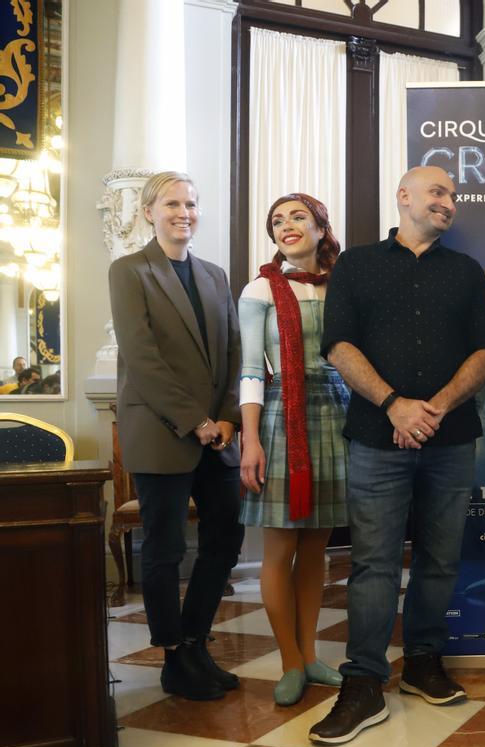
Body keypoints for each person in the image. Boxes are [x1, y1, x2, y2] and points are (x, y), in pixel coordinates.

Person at [308, 166, 485, 745]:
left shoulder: (466, 273)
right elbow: (338, 346)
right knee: (373, 564)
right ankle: (364, 684)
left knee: (440, 560)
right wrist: (395, 405)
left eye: (453, 196)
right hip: (376, 436)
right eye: (438, 192)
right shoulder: (357, 266)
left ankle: (422, 663)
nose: (448, 203)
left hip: (451, 438)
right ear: (404, 197)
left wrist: (434, 407)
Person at [108, 171, 244, 701]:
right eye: (171, 203)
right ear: (149, 212)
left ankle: (194, 640)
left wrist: (228, 417)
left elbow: (234, 351)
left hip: (219, 436)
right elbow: (143, 360)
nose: (183, 212)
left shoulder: (213, 274)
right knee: (164, 550)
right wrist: (197, 421)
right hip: (164, 432)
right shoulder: (129, 271)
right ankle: (171, 656)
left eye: (190, 203)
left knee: (224, 540)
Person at [238, 193, 348, 706]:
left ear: (321, 227)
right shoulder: (260, 287)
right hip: (284, 413)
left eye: (297, 217)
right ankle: (287, 662)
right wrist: (252, 440)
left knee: (317, 545)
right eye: (278, 221)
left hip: (337, 412)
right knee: (281, 547)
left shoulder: (343, 284)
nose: (287, 226)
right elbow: (250, 371)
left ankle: (309, 654)